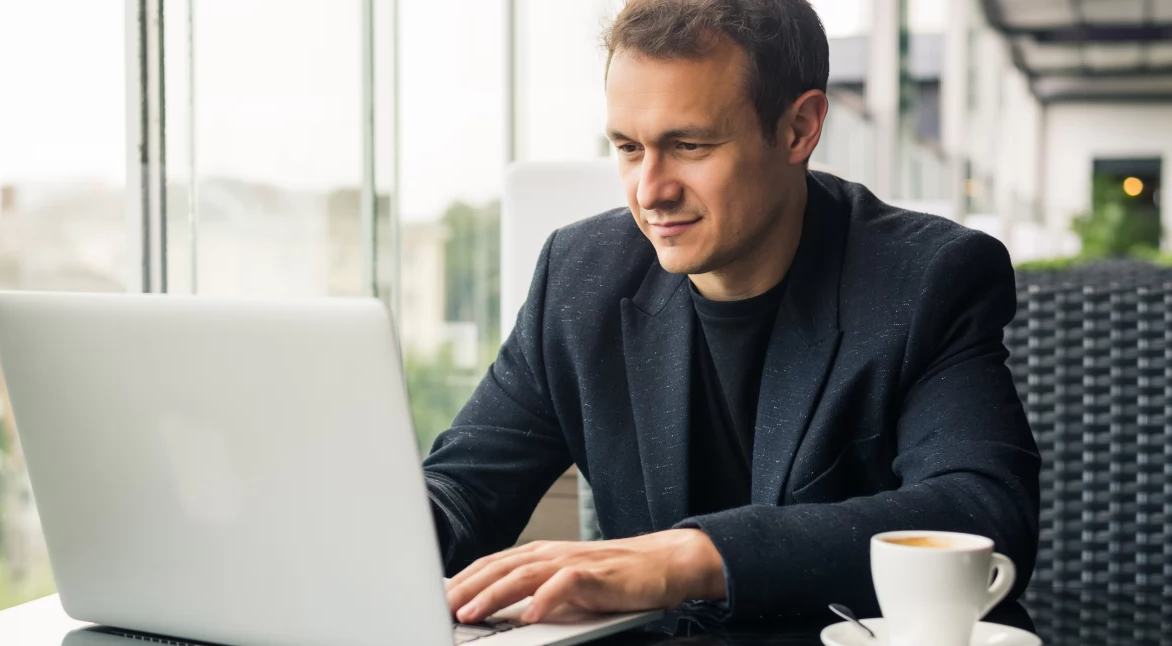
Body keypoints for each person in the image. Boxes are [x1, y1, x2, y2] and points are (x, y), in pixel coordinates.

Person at [425, 0, 1040, 626]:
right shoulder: (579, 274)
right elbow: (464, 491)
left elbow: (981, 512)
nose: (649, 191)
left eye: (689, 145)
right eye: (629, 147)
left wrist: (694, 556)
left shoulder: (928, 278)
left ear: (799, 128)